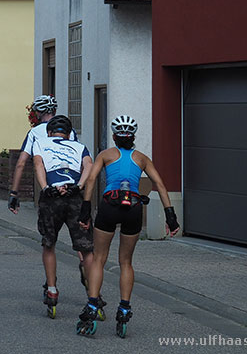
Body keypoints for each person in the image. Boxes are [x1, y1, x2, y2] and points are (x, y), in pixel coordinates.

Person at [75, 115, 180, 338]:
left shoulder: (105, 155)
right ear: (133, 137)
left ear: (114, 136)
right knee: (125, 262)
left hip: (109, 205)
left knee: (100, 258)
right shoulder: (142, 158)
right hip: (133, 208)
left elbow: (92, 180)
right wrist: (170, 215)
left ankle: (93, 305)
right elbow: (159, 184)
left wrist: (86, 207)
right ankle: (124, 307)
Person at [29, 115, 94, 318]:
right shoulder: (79, 146)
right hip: (75, 197)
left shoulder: (40, 143)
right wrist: (79, 186)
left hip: (52, 198)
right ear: (69, 133)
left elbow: (38, 165)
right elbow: (89, 167)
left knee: (49, 244)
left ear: (50, 132)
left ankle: (52, 289)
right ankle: (94, 294)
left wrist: (46, 188)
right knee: (86, 248)